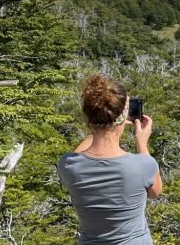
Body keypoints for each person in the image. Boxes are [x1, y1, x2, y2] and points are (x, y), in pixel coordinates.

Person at [57, 74, 163, 245]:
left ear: (89, 117)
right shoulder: (143, 164)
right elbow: (155, 192)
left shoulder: (68, 165)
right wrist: (141, 143)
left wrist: (99, 126)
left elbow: (78, 154)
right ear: (124, 116)